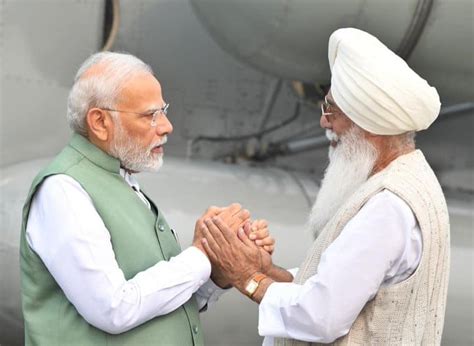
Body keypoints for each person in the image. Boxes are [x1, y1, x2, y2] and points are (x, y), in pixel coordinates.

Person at [199, 28, 450, 345]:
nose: (323, 122)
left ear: (367, 121)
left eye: (331, 109)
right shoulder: (402, 180)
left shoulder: (388, 205)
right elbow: (339, 287)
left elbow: (321, 317)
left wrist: (245, 276)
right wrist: (266, 269)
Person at [19, 52, 274, 346]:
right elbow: (113, 309)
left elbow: (160, 308)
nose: (167, 126)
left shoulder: (122, 182)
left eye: (163, 111)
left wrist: (221, 266)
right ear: (100, 122)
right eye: (150, 115)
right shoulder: (63, 191)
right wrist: (201, 254)